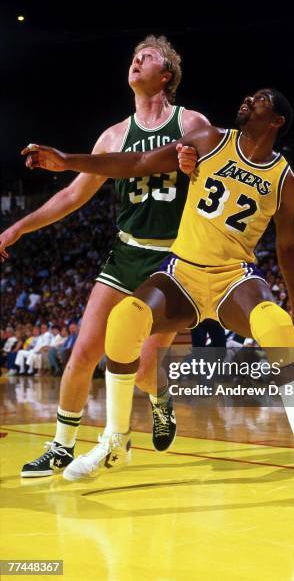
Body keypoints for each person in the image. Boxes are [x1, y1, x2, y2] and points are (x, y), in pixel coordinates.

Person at [24, 87, 294, 509]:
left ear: (277, 120)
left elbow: (288, 248)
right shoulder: (209, 140)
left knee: (276, 325)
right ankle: (115, 441)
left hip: (233, 277)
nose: (248, 99)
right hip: (183, 272)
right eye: (247, 96)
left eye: (260, 99)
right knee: (123, 319)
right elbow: (136, 163)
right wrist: (69, 161)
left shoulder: (286, 180)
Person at [0, 34, 209, 477]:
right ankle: (62, 445)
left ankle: (159, 399)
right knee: (83, 351)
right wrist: (19, 227)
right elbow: (75, 195)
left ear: (166, 75)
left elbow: (217, 182)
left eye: (147, 57)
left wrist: (198, 171)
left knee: (143, 368)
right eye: (134, 57)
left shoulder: (191, 122)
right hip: (125, 254)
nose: (136, 61)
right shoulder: (114, 135)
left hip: (173, 261)